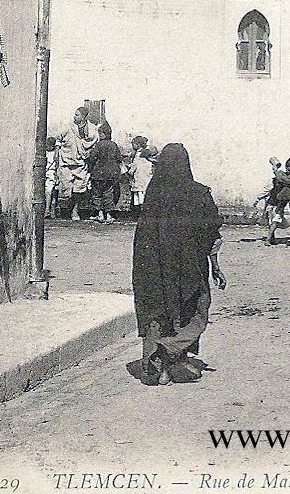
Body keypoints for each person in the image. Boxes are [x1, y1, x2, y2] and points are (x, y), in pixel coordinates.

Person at [132, 143, 226, 385]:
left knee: (158, 310)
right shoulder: (198, 193)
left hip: (152, 267)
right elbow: (212, 233)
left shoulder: (154, 192)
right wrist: (215, 266)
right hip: (188, 267)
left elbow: (143, 233)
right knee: (195, 309)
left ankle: (161, 367)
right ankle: (171, 350)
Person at [58, 106, 98, 221]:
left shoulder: (92, 129)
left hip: (81, 162)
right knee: (67, 188)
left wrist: (88, 153)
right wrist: (57, 153)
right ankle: (70, 208)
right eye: (74, 114)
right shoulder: (67, 127)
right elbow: (58, 139)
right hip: (67, 161)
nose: (74, 117)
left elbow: (94, 142)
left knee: (79, 188)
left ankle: (75, 210)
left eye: (77, 115)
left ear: (83, 117)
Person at [87, 120, 123, 222]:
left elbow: (92, 158)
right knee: (108, 194)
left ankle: (99, 214)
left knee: (97, 194)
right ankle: (108, 214)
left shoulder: (99, 145)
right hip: (111, 174)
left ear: (103, 134)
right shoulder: (114, 145)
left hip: (98, 174)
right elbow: (119, 159)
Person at [128, 134, 154, 213]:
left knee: (139, 198)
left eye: (133, 144)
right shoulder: (146, 154)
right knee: (142, 196)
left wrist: (129, 171)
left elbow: (134, 167)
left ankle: (140, 214)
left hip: (139, 180)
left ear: (137, 145)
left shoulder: (138, 155)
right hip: (146, 179)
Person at [44, 136, 59, 219]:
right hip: (47, 173)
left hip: (51, 173)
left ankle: (47, 210)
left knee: (49, 192)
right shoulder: (46, 153)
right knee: (50, 193)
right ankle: (51, 210)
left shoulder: (55, 155)